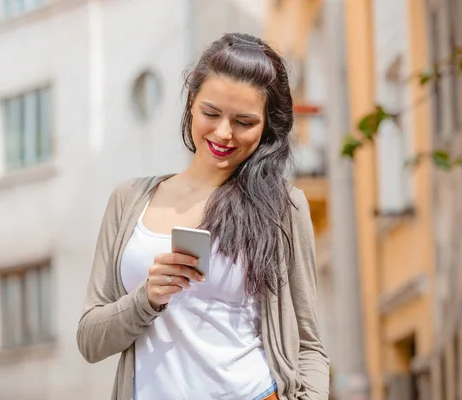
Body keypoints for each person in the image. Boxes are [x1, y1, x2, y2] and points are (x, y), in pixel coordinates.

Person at [76, 33, 330, 400]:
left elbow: (308, 344)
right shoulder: (128, 200)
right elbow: (89, 341)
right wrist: (146, 297)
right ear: (191, 104)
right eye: (211, 113)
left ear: (266, 127)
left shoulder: (282, 207)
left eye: (244, 121)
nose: (224, 133)